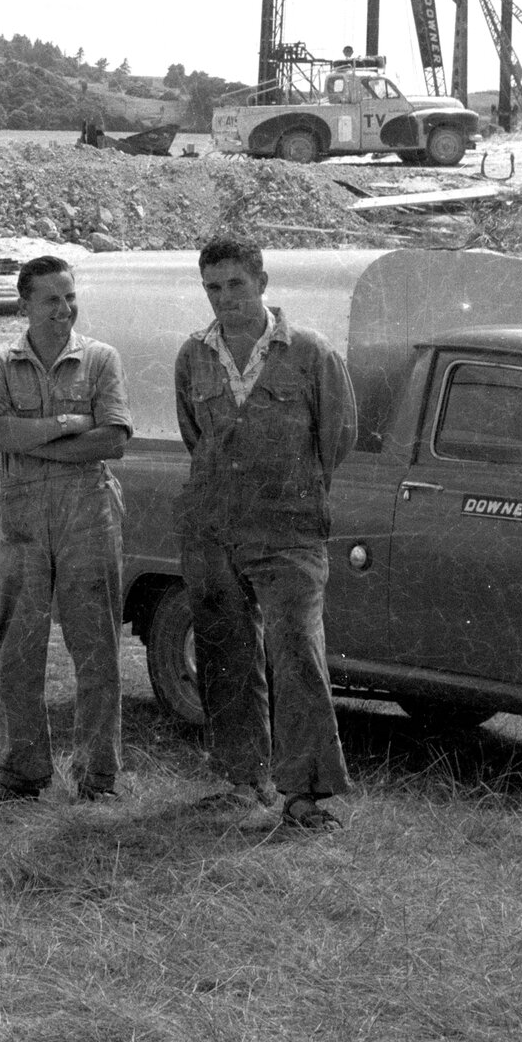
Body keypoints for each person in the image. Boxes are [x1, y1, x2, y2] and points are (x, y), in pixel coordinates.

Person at [173, 238, 357, 831]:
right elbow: (196, 436)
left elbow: (338, 438)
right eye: (213, 287)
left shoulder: (310, 352)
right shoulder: (193, 355)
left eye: (236, 284)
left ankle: (305, 794)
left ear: (262, 282)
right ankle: (241, 780)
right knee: (224, 651)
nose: (224, 298)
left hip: (289, 530)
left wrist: (288, 490)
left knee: (296, 651)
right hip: (214, 528)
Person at [0, 254, 133, 806]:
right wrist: (64, 425)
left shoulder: (101, 359)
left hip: (88, 511)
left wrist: (32, 442)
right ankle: (22, 773)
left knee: (97, 647)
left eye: (70, 297)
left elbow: (112, 440)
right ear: (25, 304)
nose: (64, 309)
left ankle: (98, 778)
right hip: (21, 514)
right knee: (19, 648)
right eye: (51, 299)